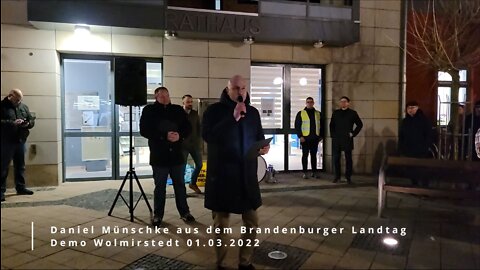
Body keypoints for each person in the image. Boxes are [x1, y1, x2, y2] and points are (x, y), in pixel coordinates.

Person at [202, 75, 270, 270]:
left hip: (246, 176)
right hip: (222, 176)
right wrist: (232, 118)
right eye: (235, 88)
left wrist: (263, 148)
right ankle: (221, 263)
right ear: (227, 89)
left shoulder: (253, 112)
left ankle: (245, 262)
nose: (240, 92)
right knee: (221, 225)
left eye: (243, 88)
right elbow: (208, 136)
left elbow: (259, 136)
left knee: (252, 221)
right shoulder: (213, 111)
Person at [139, 87, 195, 227]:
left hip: (176, 154)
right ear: (156, 97)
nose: (165, 98)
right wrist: (164, 136)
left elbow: (187, 128)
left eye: (167, 95)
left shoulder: (177, 110)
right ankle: (158, 215)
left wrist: (179, 136)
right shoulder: (149, 111)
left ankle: (184, 212)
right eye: (162, 96)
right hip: (159, 155)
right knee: (160, 186)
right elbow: (144, 130)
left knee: (180, 185)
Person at [1, 89, 36, 202]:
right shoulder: (2, 106)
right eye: (16, 100)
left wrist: (27, 123)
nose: (18, 102)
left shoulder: (23, 107)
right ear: (10, 96)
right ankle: (1, 191)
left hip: (20, 140)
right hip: (6, 141)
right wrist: (12, 123)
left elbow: (31, 119)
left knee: (20, 165)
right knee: (3, 167)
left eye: (20, 100)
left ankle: (20, 187)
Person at [329, 96, 363, 184]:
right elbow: (331, 125)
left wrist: (353, 133)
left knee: (348, 159)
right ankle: (337, 176)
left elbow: (360, 124)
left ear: (348, 103)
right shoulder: (336, 113)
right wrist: (333, 136)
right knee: (336, 158)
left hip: (347, 139)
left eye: (344, 102)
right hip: (337, 139)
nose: (343, 103)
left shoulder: (352, 113)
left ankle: (348, 177)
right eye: (341, 102)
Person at [398, 101, 432, 186]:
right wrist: (402, 148)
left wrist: (426, 147)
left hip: (421, 151)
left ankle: (424, 187)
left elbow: (429, 135)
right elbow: (401, 136)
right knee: (412, 171)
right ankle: (414, 185)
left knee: (422, 170)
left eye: (413, 108)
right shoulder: (405, 121)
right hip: (409, 151)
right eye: (409, 108)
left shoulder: (424, 120)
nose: (410, 110)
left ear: (418, 108)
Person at [294, 97, 323, 179]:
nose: (309, 103)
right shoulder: (301, 113)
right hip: (305, 139)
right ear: (306, 103)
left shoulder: (318, 113)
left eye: (311, 102)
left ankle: (314, 172)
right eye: (308, 102)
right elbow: (297, 126)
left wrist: (321, 136)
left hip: (315, 138)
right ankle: (305, 172)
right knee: (305, 155)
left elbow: (322, 126)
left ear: (313, 103)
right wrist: (300, 136)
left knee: (314, 156)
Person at [182, 94, 203, 194]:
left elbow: (199, 128)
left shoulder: (195, 114)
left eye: (191, 102)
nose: (190, 103)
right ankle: (181, 190)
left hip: (194, 144)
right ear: (183, 103)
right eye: (188, 102)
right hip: (183, 145)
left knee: (199, 165)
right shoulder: (179, 113)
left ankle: (192, 183)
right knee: (181, 168)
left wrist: (199, 142)